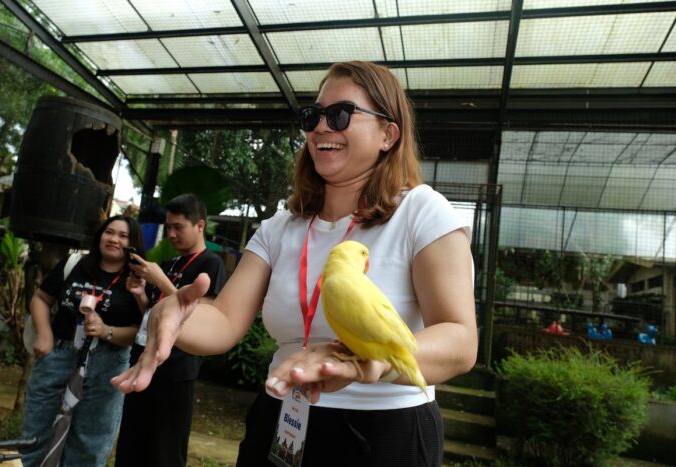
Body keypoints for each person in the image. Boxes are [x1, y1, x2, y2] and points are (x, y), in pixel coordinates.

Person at [113, 61, 477, 467]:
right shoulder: (280, 227)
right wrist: (173, 314)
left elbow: (461, 342)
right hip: (282, 418)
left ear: (388, 134)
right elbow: (224, 321)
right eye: (313, 116)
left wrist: (367, 364)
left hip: (384, 429)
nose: (321, 127)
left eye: (340, 115)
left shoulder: (423, 211)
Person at [21, 215, 145, 467]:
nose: (114, 239)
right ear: (99, 235)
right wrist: (45, 335)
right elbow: (41, 299)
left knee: (90, 444)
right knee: (34, 437)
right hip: (59, 355)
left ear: (133, 245)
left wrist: (107, 330)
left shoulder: (137, 281)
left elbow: (141, 331)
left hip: (108, 365)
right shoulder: (74, 264)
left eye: (123, 236)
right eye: (109, 232)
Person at [114, 193, 227, 467]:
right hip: (143, 362)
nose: (172, 234)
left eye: (179, 227)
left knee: (164, 450)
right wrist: (141, 293)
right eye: (169, 227)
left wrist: (160, 280)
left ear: (200, 226)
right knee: (131, 446)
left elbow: (199, 317)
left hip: (176, 370)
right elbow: (154, 315)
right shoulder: (169, 263)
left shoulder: (211, 264)